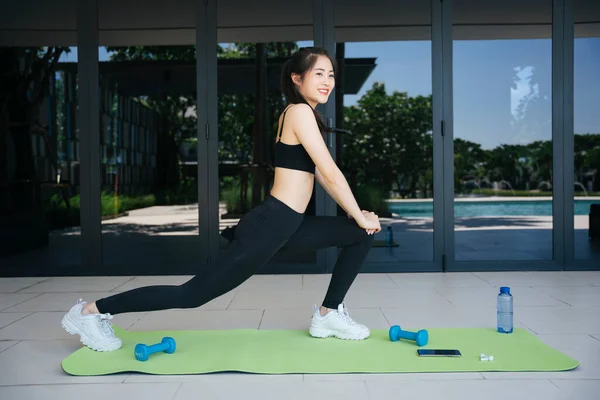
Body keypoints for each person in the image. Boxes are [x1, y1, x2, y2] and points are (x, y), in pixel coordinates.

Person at [61, 47, 382, 352]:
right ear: (297, 79)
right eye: (319, 74)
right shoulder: (299, 112)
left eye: (331, 75)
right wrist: (359, 213)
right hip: (270, 226)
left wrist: (358, 220)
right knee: (192, 295)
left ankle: (328, 315)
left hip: (288, 224)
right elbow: (330, 172)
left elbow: (323, 176)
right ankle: (91, 311)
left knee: (358, 236)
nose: (327, 82)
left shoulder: (304, 115)